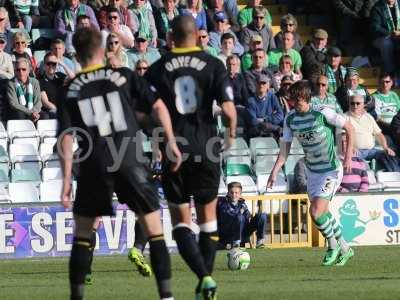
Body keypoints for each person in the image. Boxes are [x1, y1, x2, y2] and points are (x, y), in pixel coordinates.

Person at [58, 26, 181, 300]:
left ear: (76, 55)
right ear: (102, 50)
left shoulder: (70, 88)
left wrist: (66, 179)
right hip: (129, 159)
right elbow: (159, 106)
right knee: (154, 228)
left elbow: (66, 137)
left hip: (93, 163)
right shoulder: (123, 75)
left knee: (82, 233)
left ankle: (77, 297)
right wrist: (170, 140)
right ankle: (167, 296)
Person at [146, 15, 237, 299]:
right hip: (207, 147)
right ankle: (204, 285)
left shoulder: (158, 68)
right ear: (198, 36)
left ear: (171, 37)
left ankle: (205, 277)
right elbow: (230, 111)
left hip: (175, 150)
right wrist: (230, 136)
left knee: (181, 223)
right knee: (208, 221)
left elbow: (150, 111)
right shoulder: (213, 64)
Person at [267, 80, 355, 266]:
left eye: (297, 100)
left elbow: (350, 127)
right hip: (312, 171)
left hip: (331, 169)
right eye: (292, 100)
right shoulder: (290, 119)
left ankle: (332, 247)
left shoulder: (322, 112)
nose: (293, 103)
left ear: (305, 98)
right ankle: (346, 248)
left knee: (316, 212)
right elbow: (284, 150)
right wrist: (274, 171)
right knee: (324, 213)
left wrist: (347, 157)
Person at [345, 94, 398, 170]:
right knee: (353, 158)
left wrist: (386, 147)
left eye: (358, 103)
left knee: (390, 155)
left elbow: (379, 134)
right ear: (349, 104)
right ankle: (367, 178)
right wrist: (351, 148)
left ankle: (394, 177)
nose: (355, 106)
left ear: (363, 104)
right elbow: (342, 137)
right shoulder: (344, 117)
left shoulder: (369, 117)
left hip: (371, 150)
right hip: (356, 151)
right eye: (352, 103)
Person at [217, 182, 267, 249]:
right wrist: (240, 213)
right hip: (227, 233)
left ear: (240, 194)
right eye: (231, 192)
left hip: (243, 232)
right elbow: (228, 215)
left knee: (262, 216)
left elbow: (247, 217)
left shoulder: (242, 204)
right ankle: (237, 244)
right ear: (228, 193)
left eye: (236, 193)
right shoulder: (222, 203)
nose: (234, 195)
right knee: (239, 216)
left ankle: (260, 242)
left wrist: (247, 215)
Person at [246, 74, 284, 138]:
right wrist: (273, 123)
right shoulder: (251, 100)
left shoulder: (273, 97)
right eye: (259, 83)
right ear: (255, 85)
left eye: (264, 83)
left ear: (268, 86)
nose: (261, 85)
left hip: (271, 129)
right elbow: (253, 121)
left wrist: (264, 119)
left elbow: (280, 116)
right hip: (257, 132)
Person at [370, 0, 400, 74]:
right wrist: (390, 33)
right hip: (382, 37)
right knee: (386, 43)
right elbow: (375, 27)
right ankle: (390, 73)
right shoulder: (377, 7)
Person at [38, 52, 66, 119]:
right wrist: (59, 110)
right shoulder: (40, 80)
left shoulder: (61, 76)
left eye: (53, 64)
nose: (51, 66)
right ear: (44, 65)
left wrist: (63, 65)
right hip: (50, 111)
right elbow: (45, 102)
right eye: (48, 64)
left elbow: (73, 77)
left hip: (63, 109)